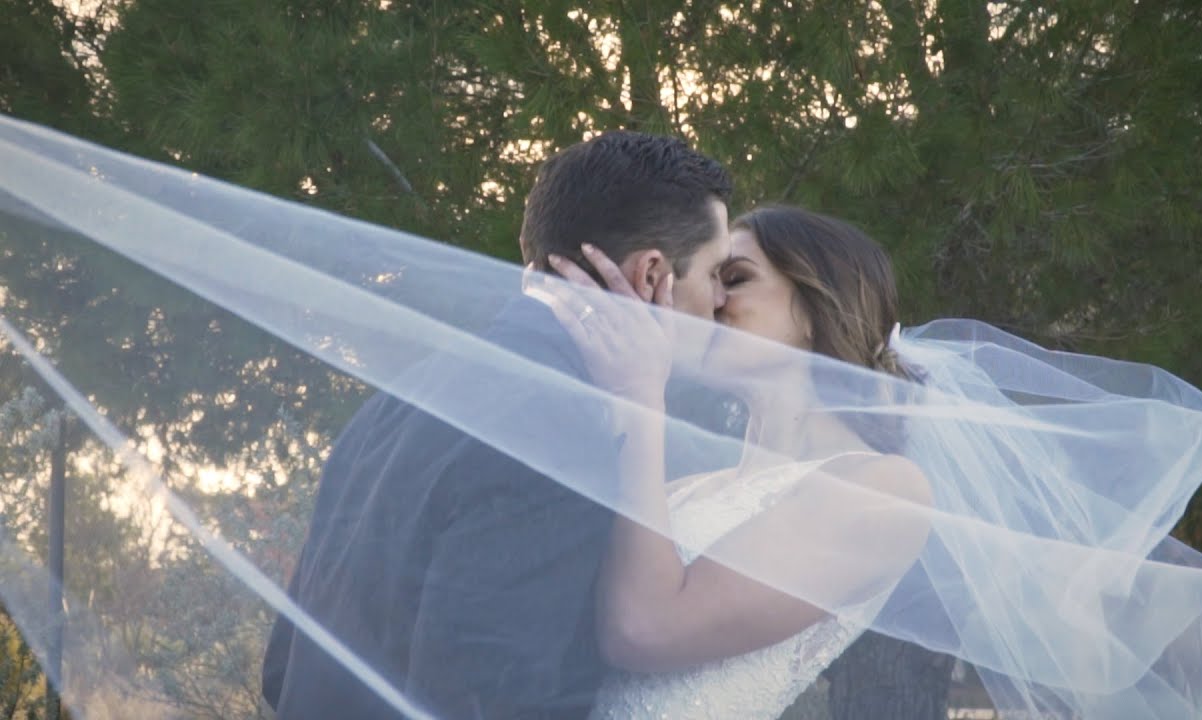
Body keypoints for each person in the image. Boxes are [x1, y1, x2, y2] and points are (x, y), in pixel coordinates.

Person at [260, 130, 733, 720]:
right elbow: (493, 700)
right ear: (651, 275)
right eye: (715, 273)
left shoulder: (404, 396)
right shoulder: (557, 423)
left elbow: (285, 668)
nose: (719, 301)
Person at [536, 206, 934, 719]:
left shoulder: (881, 489)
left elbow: (643, 630)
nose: (711, 300)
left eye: (736, 279)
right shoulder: (687, 487)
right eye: (709, 278)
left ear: (817, 306)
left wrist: (638, 398)